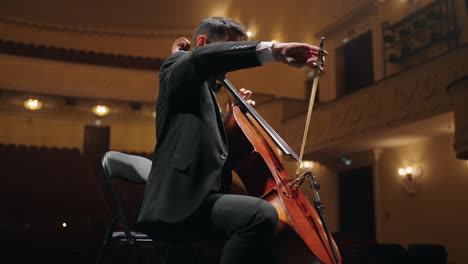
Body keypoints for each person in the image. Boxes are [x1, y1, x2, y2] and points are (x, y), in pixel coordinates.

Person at [137, 17, 327, 264]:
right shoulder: (178, 64)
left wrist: (231, 118)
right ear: (203, 43)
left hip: (201, 203)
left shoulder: (204, 97)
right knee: (260, 216)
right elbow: (200, 59)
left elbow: (208, 146)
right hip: (176, 204)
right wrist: (275, 51)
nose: (229, 63)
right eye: (226, 49)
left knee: (268, 239)